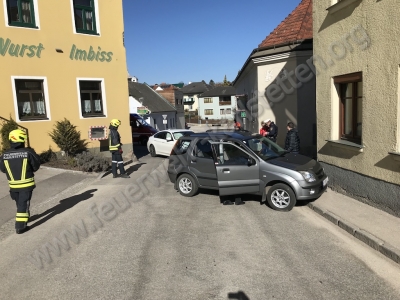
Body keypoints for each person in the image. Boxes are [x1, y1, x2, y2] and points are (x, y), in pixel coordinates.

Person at [0, 129, 40, 234]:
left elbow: (3, 169)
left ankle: (25, 217)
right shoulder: (28, 152)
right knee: (23, 204)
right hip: (26, 185)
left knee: (20, 203)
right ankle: (20, 227)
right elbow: (36, 166)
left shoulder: (5, 155)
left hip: (13, 186)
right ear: (22, 140)